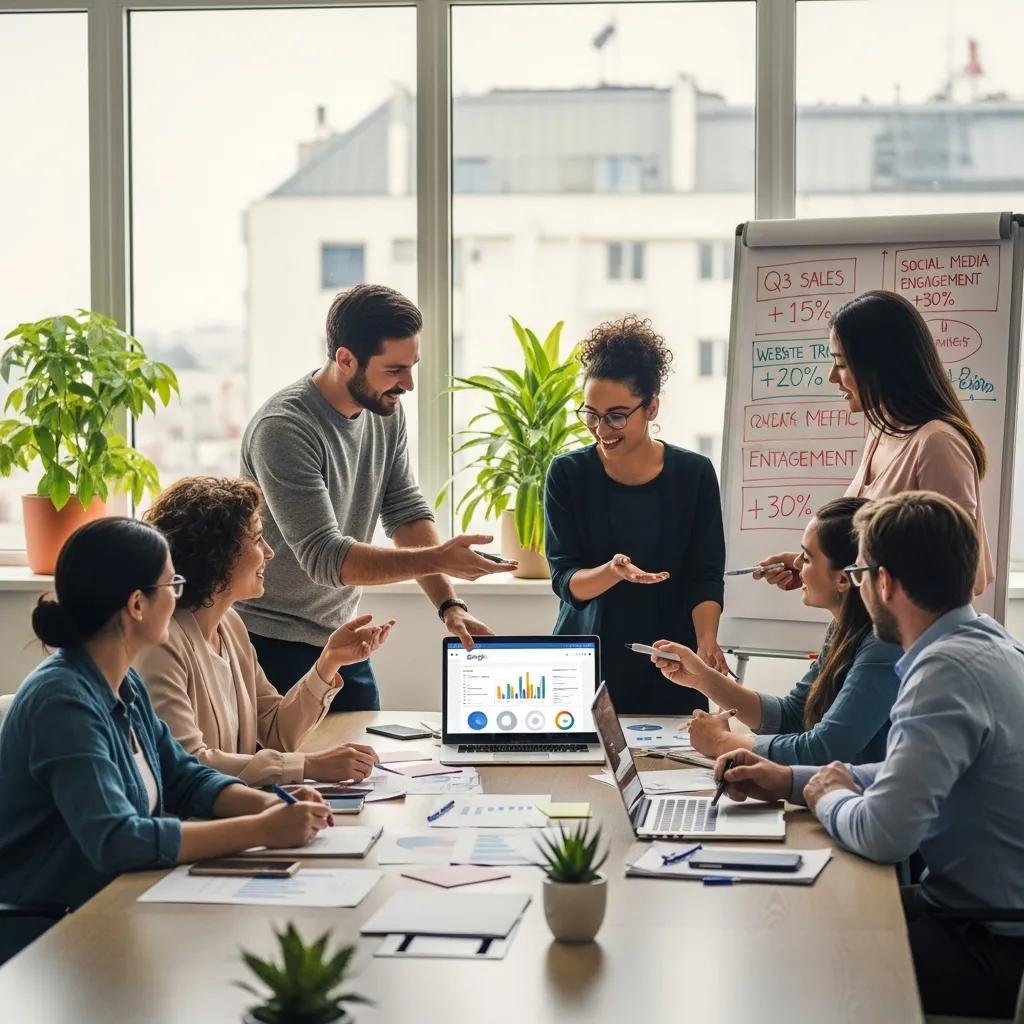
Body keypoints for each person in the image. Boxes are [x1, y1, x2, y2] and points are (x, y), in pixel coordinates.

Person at [714, 491, 1024, 1020]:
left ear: (884, 582)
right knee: (797, 917)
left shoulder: (944, 672)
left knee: (784, 952)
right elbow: (905, 769)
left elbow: (883, 835)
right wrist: (789, 779)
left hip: (985, 945)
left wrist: (827, 795)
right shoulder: (986, 640)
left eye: (858, 571)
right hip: (976, 920)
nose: (856, 585)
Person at [0, 519, 332, 965]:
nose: (180, 594)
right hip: (48, 931)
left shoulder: (123, 683)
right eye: (172, 582)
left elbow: (186, 778)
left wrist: (270, 804)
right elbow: (117, 840)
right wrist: (261, 830)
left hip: (112, 902)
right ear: (137, 604)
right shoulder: (64, 701)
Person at [238, 284, 513, 710]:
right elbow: (325, 558)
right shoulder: (284, 429)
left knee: (373, 766)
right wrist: (439, 557)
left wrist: (450, 605)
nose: (408, 384)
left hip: (340, 634)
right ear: (345, 359)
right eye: (395, 370)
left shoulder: (383, 412)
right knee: (289, 772)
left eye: (412, 367)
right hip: (270, 643)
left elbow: (404, 511)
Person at [138, 477, 390, 786]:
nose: (269, 552)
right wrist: (308, 766)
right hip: (194, 826)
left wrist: (329, 662)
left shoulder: (230, 626)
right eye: (258, 539)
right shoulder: (162, 644)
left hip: (233, 811)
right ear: (218, 554)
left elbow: (275, 732)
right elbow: (187, 764)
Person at [544, 315, 726, 714]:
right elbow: (566, 581)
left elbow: (706, 574)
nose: (600, 428)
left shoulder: (693, 474)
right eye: (590, 413)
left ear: (652, 407)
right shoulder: (567, 474)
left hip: (673, 664)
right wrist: (613, 571)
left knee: (678, 772)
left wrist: (707, 643)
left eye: (616, 415)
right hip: (585, 665)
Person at [758, 289, 993, 597]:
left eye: (841, 364)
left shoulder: (937, 443)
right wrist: (815, 569)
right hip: (871, 632)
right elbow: (875, 553)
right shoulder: (881, 432)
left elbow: (953, 572)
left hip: (906, 641)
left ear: (880, 365)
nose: (832, 377)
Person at [651, 497, 900, 765]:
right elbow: (793, 716)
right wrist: (701, 677)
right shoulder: (843, 628)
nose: (796, 567)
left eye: (806, 558)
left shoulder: (883, 645)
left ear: (842, 578)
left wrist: (722, 742)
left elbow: (821, 749)